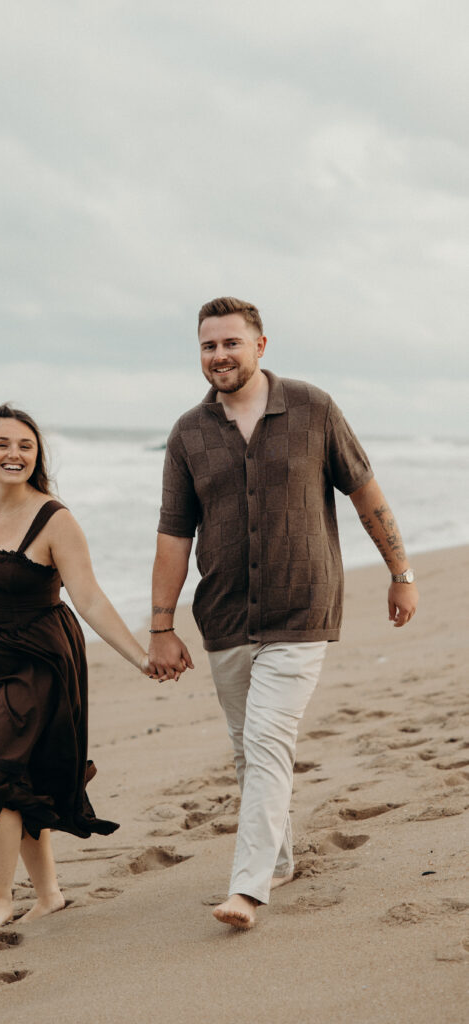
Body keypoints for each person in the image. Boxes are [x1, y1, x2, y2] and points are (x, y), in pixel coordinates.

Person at [147, 296, 419, 931]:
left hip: (302, 607)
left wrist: (400, 573)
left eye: (231, 343)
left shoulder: (313, 408)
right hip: (223, 617)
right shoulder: (188, 433)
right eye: (209, 346)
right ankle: (281, 860)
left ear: (260, 346)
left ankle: (248, 889)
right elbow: (172, 537)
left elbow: (366, 493)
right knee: (249, 750)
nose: (219, 356)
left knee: (268, 739)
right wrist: (161, 627)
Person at [0, 404, 153, 936]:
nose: (14, 454)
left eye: (25, 446)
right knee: (14, 776)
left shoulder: (55, 519)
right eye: (3, 443)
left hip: (40, 659)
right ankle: (48, 895)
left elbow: (90, 599)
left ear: (36, 456)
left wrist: (140, 657)